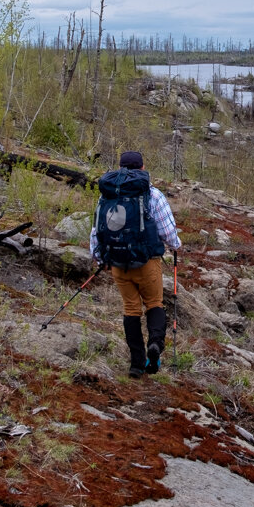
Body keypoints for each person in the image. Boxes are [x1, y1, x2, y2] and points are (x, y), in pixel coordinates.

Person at [89, 150, 182, 376]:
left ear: (120, 168)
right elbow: (168, 233)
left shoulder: (107, 195)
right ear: (142, 168)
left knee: (131, 309)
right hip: (146, 262)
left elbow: (97, 230)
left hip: (118, 263)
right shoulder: (152, 195)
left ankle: (136, 364)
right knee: (154, 304)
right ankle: (155, 346)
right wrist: (176, 245)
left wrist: (100, 258)